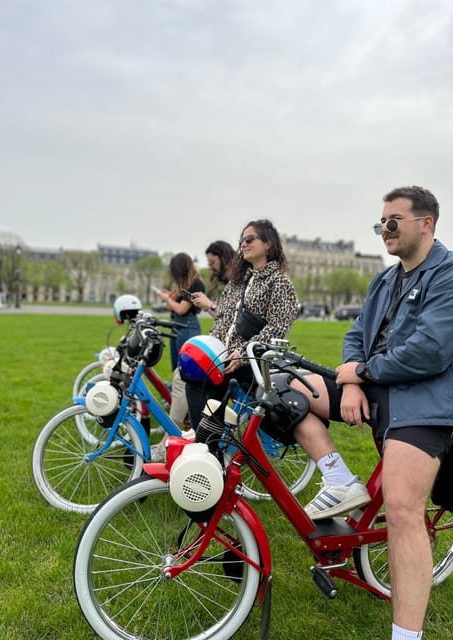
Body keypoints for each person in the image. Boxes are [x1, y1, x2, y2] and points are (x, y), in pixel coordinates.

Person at [290, 186, 453, 640]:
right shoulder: (383, 280)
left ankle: (407, 636)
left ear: (427, 223)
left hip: (424, 402)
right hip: (373, 387)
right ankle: (339, 478)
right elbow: (354, 335)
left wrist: (359, 373)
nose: (385, 229)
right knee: (285, 391)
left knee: (402, 509)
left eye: (393, 221)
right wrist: (354, 379)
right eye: (381, 222)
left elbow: (431, 352)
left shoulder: (449, 275)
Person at [184, 219, 298, 429]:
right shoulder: (237, 281)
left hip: (251, 361)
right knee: (189, 370)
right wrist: (209, 346)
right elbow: (222, 320)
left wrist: (241, 353)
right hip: (224, 355)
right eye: (241, 240)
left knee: (199, 383)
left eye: (249, 239)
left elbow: (277, 328)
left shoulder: (279, 282)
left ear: (268, 243)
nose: (243, 244)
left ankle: (208, 442)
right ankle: (207, 438)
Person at [152, 253, 205, 456]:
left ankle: (177, 425)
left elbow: (182, 309)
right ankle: (177, 420)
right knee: (177, 374)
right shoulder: (182, 285)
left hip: (187, 328)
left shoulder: (196, 284)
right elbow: (172, 307)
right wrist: (168, 297)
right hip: (178, 327)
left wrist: (168, 299)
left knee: (183, 376)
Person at [191, 240, 235, 318]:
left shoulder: (243, 283)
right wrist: (206, 306)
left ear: (224, 258)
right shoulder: (231, 284)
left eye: (212, 262)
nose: (210, 267)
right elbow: (222, 318)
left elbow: (235, 319)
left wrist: (210, 304)